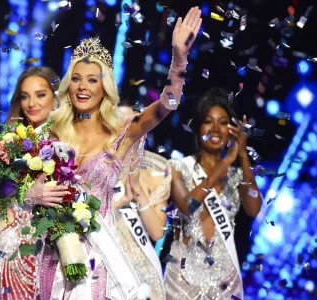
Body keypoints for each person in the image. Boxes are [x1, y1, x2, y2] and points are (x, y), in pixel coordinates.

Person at [25, 7, 202, 300]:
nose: (83, 87)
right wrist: (34, 194)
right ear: (69, 86)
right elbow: (16, 192)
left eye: (92, 80)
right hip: (54, 260)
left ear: (104, 87)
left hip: (99, 261)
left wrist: (178, 59)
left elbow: (167, 104)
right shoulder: (50, 133)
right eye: (77, 79)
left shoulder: (121, 132)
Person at [164, 88, 262, 300]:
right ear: (199, 127)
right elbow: (186, 205)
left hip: (224, 280)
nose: (216, 129)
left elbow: (254, 209)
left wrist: (243, 155)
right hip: (182, 277)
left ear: (232, 130)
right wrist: (226, 161)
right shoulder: (178, 168)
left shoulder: (237, 176)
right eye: (209, 121)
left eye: (224, 122)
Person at [0, 66, 69, 299]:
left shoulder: (69, 142)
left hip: (53, 251)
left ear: (56, 96)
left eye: (41, 94)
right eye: (24, 96)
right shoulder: (6, 144)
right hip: (11, 246)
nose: (32, 103)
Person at [111, 102, 170, 299]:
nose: (127, 130)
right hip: (107, 267)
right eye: (119, 123)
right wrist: (120, 202)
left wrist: (138, 192)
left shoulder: (156, 173)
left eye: (132, 124)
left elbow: (156, 232)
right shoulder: (97, 169)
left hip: (143, 276)